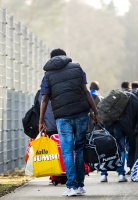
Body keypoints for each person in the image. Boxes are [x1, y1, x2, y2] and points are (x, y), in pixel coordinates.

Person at [39, 48, 99, 196]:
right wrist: (95, 112)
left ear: (51, 59)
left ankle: (71, 186)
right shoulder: (77, 68)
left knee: (67, 151)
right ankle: (80, 186)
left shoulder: (48, 75)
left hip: (62, 117)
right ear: (65, 57)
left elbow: (45, 99)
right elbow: (85, 91)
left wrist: (41, 121)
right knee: (79, 149)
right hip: (81, 114)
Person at [100, 90, 138, 182]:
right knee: (120, 149)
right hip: (122, 128)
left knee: (106, 149)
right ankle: (121, 174)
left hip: (108, 123)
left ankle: (103, 174)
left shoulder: (122, 95)